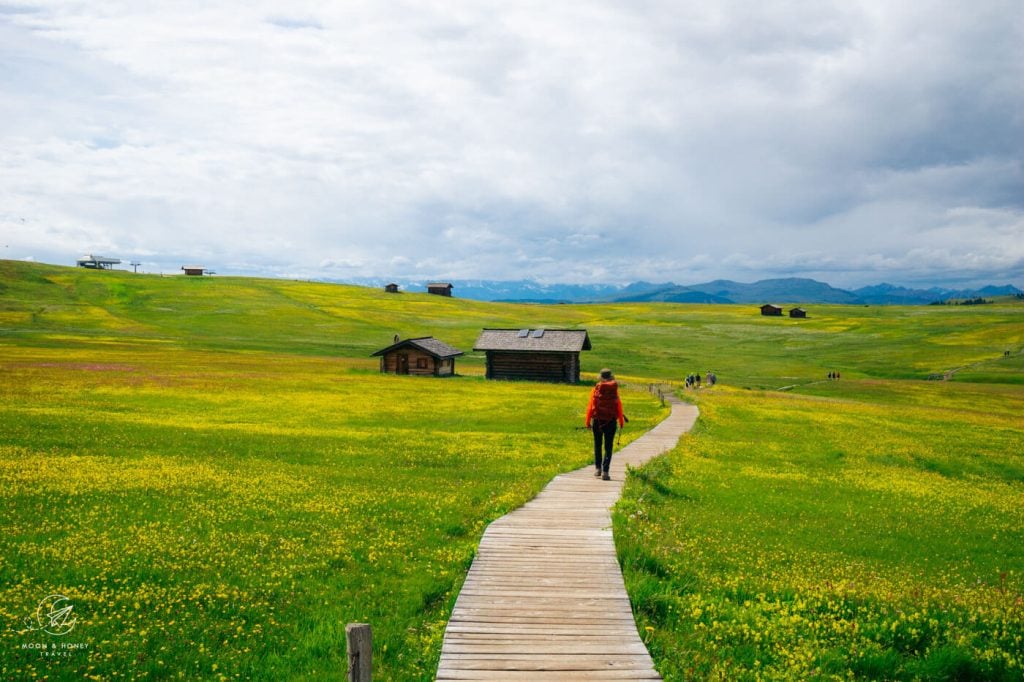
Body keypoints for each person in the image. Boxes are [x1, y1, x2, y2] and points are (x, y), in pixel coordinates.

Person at [585, 368, 625, 481]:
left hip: (597, 420)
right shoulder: (614, 390)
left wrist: (587, 422)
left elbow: (590, 406)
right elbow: (619, 406)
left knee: (597, 444)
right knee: (608, 446)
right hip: (611, 421)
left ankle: (598, 469)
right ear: (611, 377)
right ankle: (606, 471)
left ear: (601, 377)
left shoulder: (596, 389)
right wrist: (621, 421)